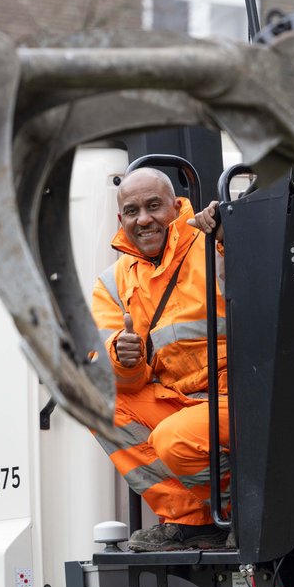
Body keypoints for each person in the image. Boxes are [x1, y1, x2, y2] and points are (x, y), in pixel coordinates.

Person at [91, 166, 230, 551]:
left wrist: (230, 234)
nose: (144, 219)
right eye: (132, 211)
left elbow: (267, 287)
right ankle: (193, 521)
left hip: (237, 398)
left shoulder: (210, 242)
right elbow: (120, 381)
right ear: (121, 220)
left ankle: (243, 504)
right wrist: (124, 359)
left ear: (175, 207)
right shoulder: (112, 282)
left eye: (154, 206)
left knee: (174, 439)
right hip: (179, 401)